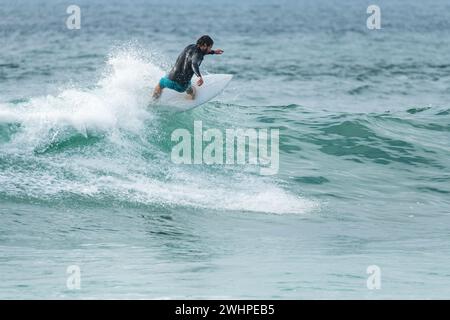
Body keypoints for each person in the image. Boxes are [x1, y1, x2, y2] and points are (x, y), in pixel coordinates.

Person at [152, 35, 224, 100]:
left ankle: (153, 101)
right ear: (205, 45)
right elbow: (194, 63)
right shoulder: (198, 55)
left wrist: (213, 52)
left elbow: (200, 53)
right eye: (210, 47)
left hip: (169, 80)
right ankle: (189, 101)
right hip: (181, 86)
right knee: (193, 90)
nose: (210, 49)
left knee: (160, 84)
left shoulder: (190, 46)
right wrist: (199, 76)